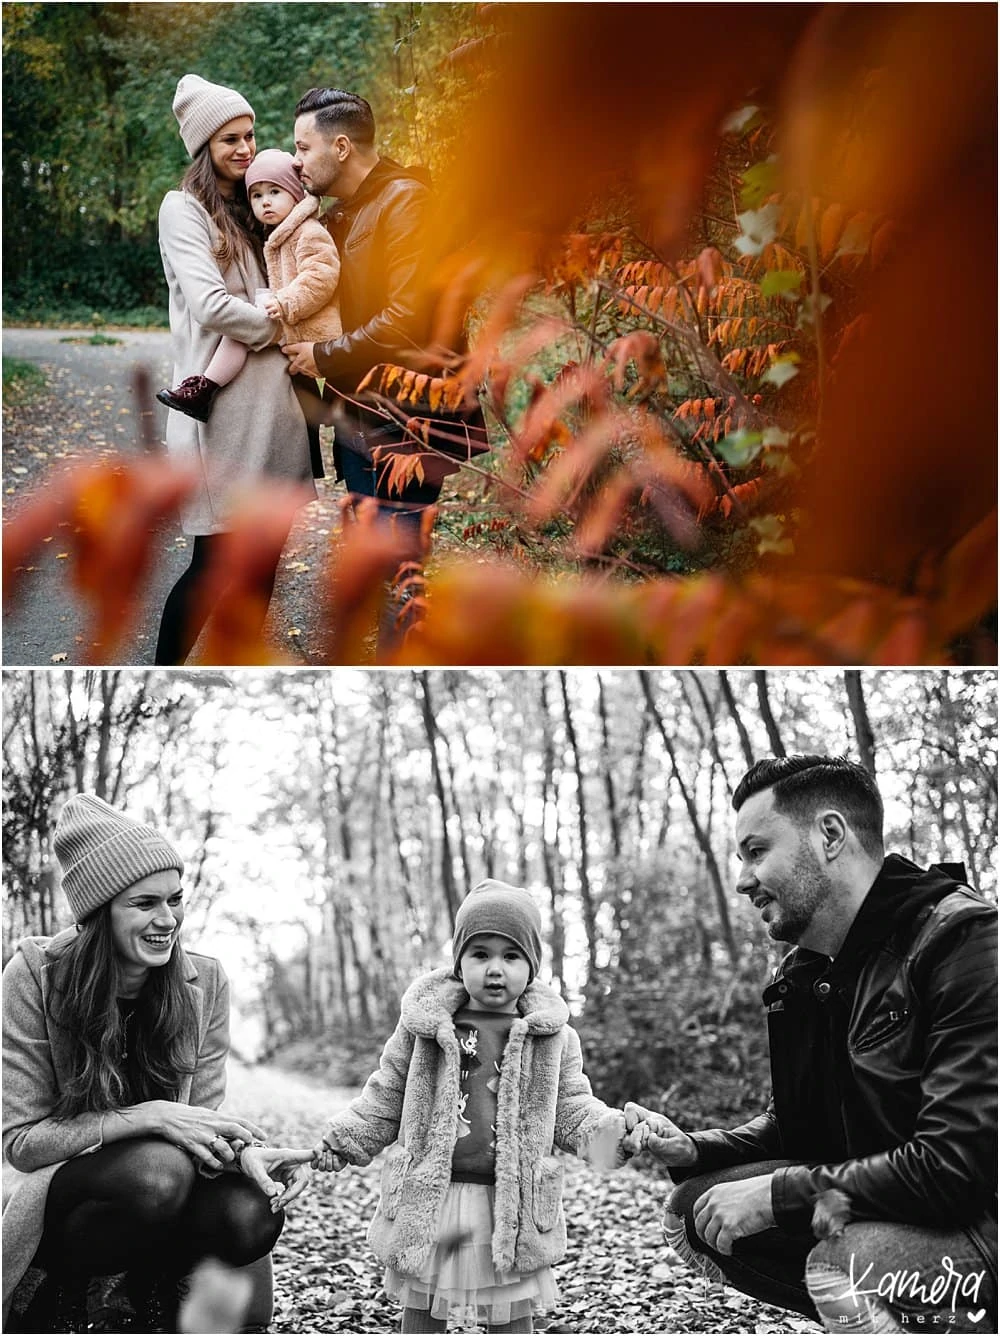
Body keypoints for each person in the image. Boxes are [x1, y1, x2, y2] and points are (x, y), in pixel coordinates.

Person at [627, 755, 997, 1334]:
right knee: (694, 1208)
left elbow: (956, 1168)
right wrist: (695, 1150)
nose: (744, 879)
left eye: (756, 851)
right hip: (899, 1205)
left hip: (981, 1220)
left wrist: (777, 1194)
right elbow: (795, 1127)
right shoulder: (806, 973)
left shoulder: (963, 940)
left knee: (841, 1266)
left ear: (829, 835)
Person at [2, 793, 312, 1334]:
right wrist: (145, 1116)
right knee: (155, 1171)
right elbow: (22, 1143)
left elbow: (197, 1125)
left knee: (251, 1210)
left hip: (169, 1186)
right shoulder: (35, 975)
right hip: (73, 1199)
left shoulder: (204, 983)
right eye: (144, 904)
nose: (167, 919)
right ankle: (62, 1292)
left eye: (175, 899)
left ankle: (157, 1291)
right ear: (99, 912)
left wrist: (245, 1154)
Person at [307, 879, 630, 1333]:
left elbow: (572, 1107)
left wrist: (612, 1133)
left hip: (510, 1202)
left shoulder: (552, 1038)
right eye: (481, 954)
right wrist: (341, 1142)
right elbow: (386, 1096)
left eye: (511, 955)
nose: (495, 968)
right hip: (433, 1196)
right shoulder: (427, 1029)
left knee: (511, 1311)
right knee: (421, 1305)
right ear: (459, 964)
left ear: (532, 966)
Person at [155, 74, 316, 665]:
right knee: (212, 567)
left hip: (276, 414)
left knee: (263, 564)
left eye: (249, 135)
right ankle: (163, 680)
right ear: (204, 147)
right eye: (230, 140)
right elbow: (211, 305)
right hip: (219, 419)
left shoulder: (257, 206)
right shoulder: (184, 209)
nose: (245, 148)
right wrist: (283, 324)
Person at [282, 88, 487, 537]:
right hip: (364, 417)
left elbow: (407, 318)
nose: (295, 160)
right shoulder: (346, 212)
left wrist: (323, 356)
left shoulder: (405, 202)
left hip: (404, 424)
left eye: (302, 147)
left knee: (395, 568)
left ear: (341, 147)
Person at [158, 148, 341, 424]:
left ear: (294, 192)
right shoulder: (277, 232)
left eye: (275, 192)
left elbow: (322, 276)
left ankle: (205, 388)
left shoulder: (309, 232)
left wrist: (284, 302)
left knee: (242, 334)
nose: (265, 202)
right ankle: (204, 389)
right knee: (240, 334)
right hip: (289, 315)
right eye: (257, 195)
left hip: (306, 323)